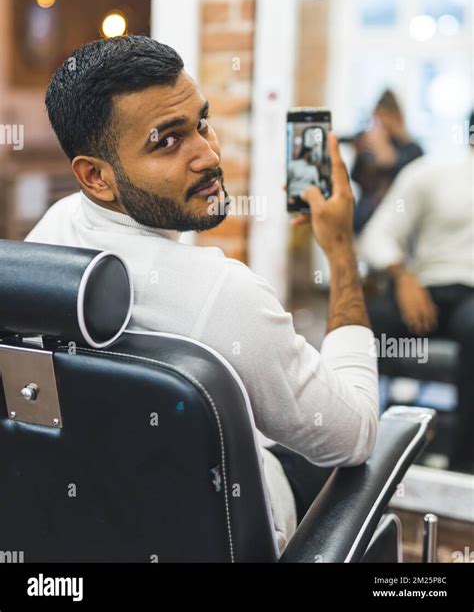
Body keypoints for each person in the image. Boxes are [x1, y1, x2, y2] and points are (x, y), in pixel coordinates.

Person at [25, 35, 378, 551]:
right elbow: (357, 435)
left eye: (202, 123)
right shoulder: (224, 296)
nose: (209, 155)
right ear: (96, 176)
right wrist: (342, 253)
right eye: (167, 140)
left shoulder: (43, 247)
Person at [358, 116, 474, 472]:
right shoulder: (432, 173)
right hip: (427, 290)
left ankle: (464, 464)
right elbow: (378, 235)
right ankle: (355, 446)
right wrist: (402, 275)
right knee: (359, 323)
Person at [351, 90, 423, 233]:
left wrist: (384, 151)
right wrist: (360, 153)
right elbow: (356, 177)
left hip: (397, 224)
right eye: (377, 118)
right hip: (364, 221)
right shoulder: (369, 146)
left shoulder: (412, 150)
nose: (380, 124)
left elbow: (406, 180)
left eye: (384, 117)